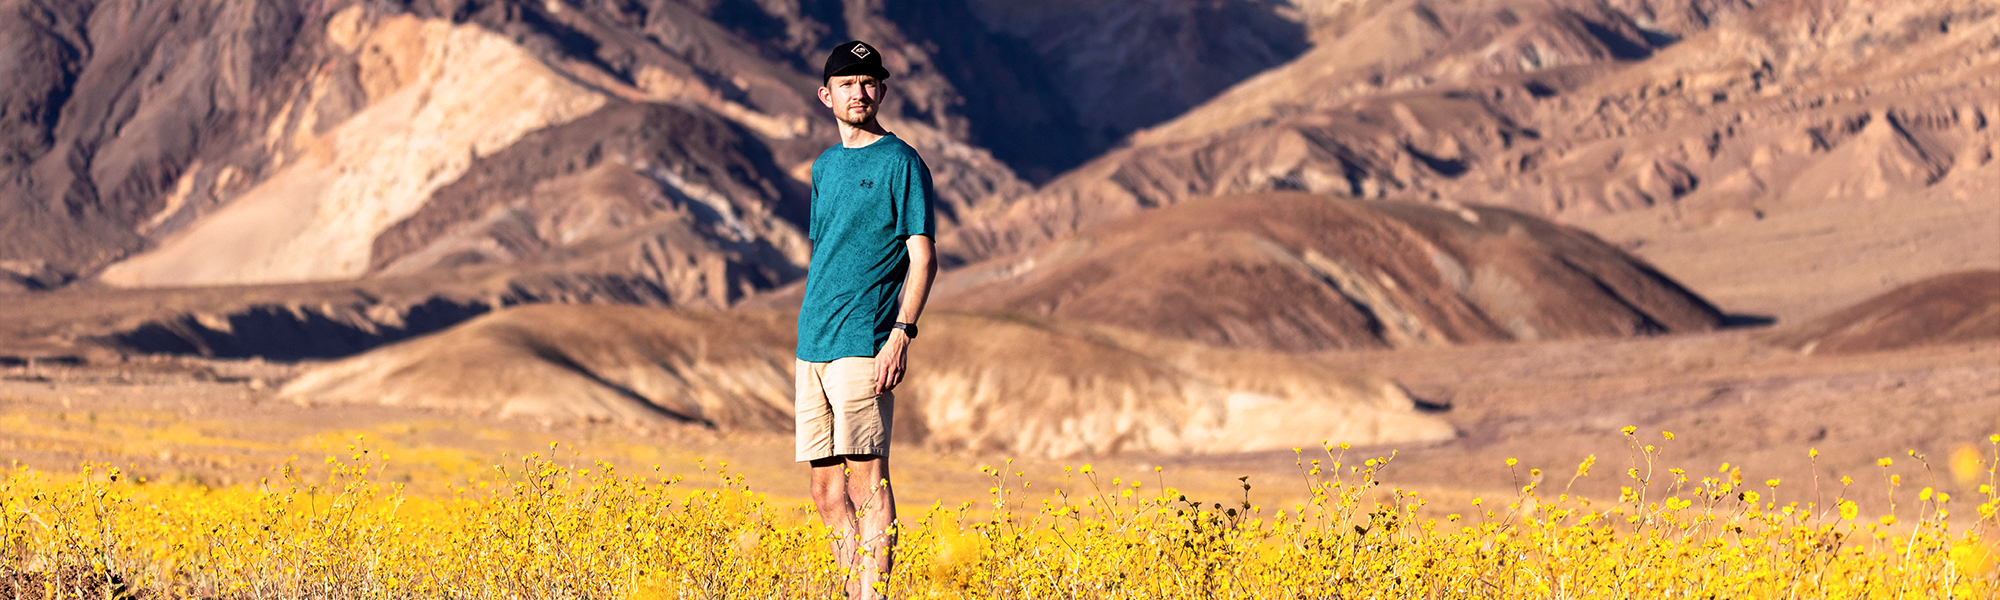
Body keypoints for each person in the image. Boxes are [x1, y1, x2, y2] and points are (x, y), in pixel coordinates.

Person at [795, 39, 936, 599]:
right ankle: (851, 590)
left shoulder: (901, 161)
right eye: (848, 84)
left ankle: (872, 594)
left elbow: (922, 256)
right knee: (826, 491)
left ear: (882, 91)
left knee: (867, 479)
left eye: (869, 82)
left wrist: (900, 335)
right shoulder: (825, 166)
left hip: (864, 340)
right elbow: (827, 251)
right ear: (826, 95)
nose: (860, 92)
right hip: (814, 342)